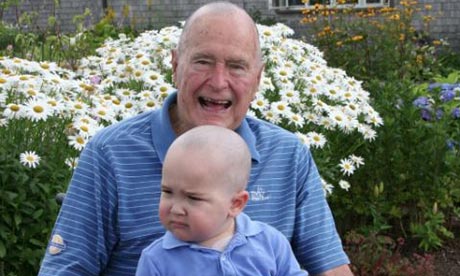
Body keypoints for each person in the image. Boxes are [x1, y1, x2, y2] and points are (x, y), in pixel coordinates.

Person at [39, 1, 353, 275]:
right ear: (175, 66)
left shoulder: (288, 156)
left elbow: (331, 269)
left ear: (257, 79)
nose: (219, 82)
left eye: (236, 66)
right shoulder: (111, 154)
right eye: (202, 62)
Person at [135, 125, 306, 275]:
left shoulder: (270, 243)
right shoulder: (157, 260)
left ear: (235, 204)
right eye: (167, 191)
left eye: (193, 197)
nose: (176, 209)